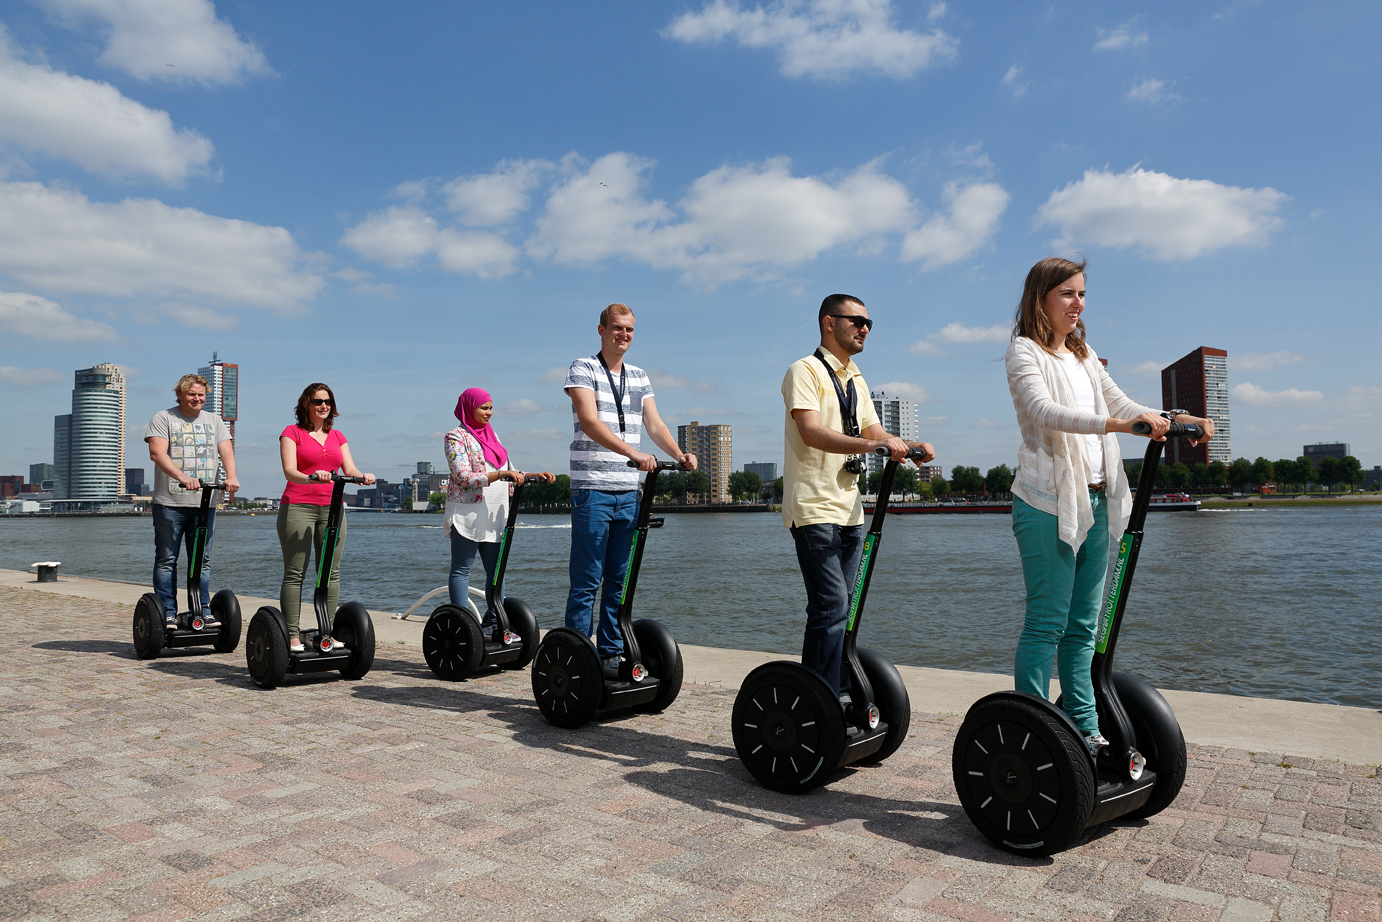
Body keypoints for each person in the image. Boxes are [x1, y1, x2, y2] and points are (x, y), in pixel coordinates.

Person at [1006, 257, 1214, 755]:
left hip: (1097, 501)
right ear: (1041, 299)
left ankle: (1084, 725)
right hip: (1045, 502)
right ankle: (1029, 729)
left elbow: (1119, 403)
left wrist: (1172, 417)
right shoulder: (1023, 352)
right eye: (1068, 294)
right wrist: (1119, 426)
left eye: (1082, 294)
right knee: (1046, 621)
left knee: (1082, 626)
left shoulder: (1082, 355)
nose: (1078, 303)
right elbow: (1043, 411)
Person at [782, 294, 934, 700]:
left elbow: (873, 431)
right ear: (829, 323)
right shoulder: (805, 371)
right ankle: (815, 700)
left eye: (869, 322)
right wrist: (872, 448)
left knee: (844, 608)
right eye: (857, 321)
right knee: (830, 604)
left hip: (850, 509)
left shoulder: (856, 378)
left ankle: (840, 691)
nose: (865, 328)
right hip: (813, 506)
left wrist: (904, 444)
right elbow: (810, 432)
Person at [564, 303, 697, 675]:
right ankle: (576, 656)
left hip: (628, 491)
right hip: (592, 488)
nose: (624, 335)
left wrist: (678, 454)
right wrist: (634, 453)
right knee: (587, 580)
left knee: (619, 580)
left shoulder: (639, 376)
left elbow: (653, 424)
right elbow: (589, 422)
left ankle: (609, 653)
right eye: (618, 328)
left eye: (630, 330)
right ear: (602, 330)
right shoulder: (582, 368)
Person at [443, 387, 555, 633]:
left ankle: (494, 622)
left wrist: (533, 475)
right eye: (484, 407)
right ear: (468, 407)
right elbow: (463, 477)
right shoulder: (455, 437)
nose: (489, 413)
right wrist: (503, 474)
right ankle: (464, 626)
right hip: (467, 514)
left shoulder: (494, 438)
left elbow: (509, 469)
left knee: (497, 572)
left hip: (494, 514)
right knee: (461, 570)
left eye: (491, 408)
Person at [277, 383, 376, 653]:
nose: (323, 406)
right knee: (295, 572)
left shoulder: (338, 436)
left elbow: (349, 467)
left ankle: (326, 632)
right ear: (306, 404)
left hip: (332, 508)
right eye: (318, 401)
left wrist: (361, 476)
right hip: (298, 505)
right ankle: (292, 635)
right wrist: (311, 476)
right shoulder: (292, 433)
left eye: (328, 401)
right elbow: (289, 470)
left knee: (330, 573)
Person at [145, 374, 240, 628]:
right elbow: (156, 453)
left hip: (204, 503)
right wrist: (182, 477)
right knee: (167, 559)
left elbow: (226, 450)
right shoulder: (163, 418)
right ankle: (166, 611)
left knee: (201, 560)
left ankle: (202, 609)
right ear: (180, 395)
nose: (197, 399)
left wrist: (231, 476)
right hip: (170, 503)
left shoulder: (214, 420)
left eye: (201, 395)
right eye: (191, 394)